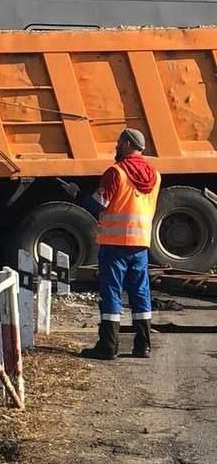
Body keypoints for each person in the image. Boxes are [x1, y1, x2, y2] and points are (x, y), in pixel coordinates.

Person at [63, 128, 161, 360]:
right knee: (140, 292)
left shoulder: (116, 172)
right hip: (140, 243)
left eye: (119, 142)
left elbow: (98, 204)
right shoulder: (155, 175)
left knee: (111, 292)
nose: (116, 146)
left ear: (127, 144)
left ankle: (108, 346)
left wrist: (76, 194)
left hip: (115, 244)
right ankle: (143, 345)